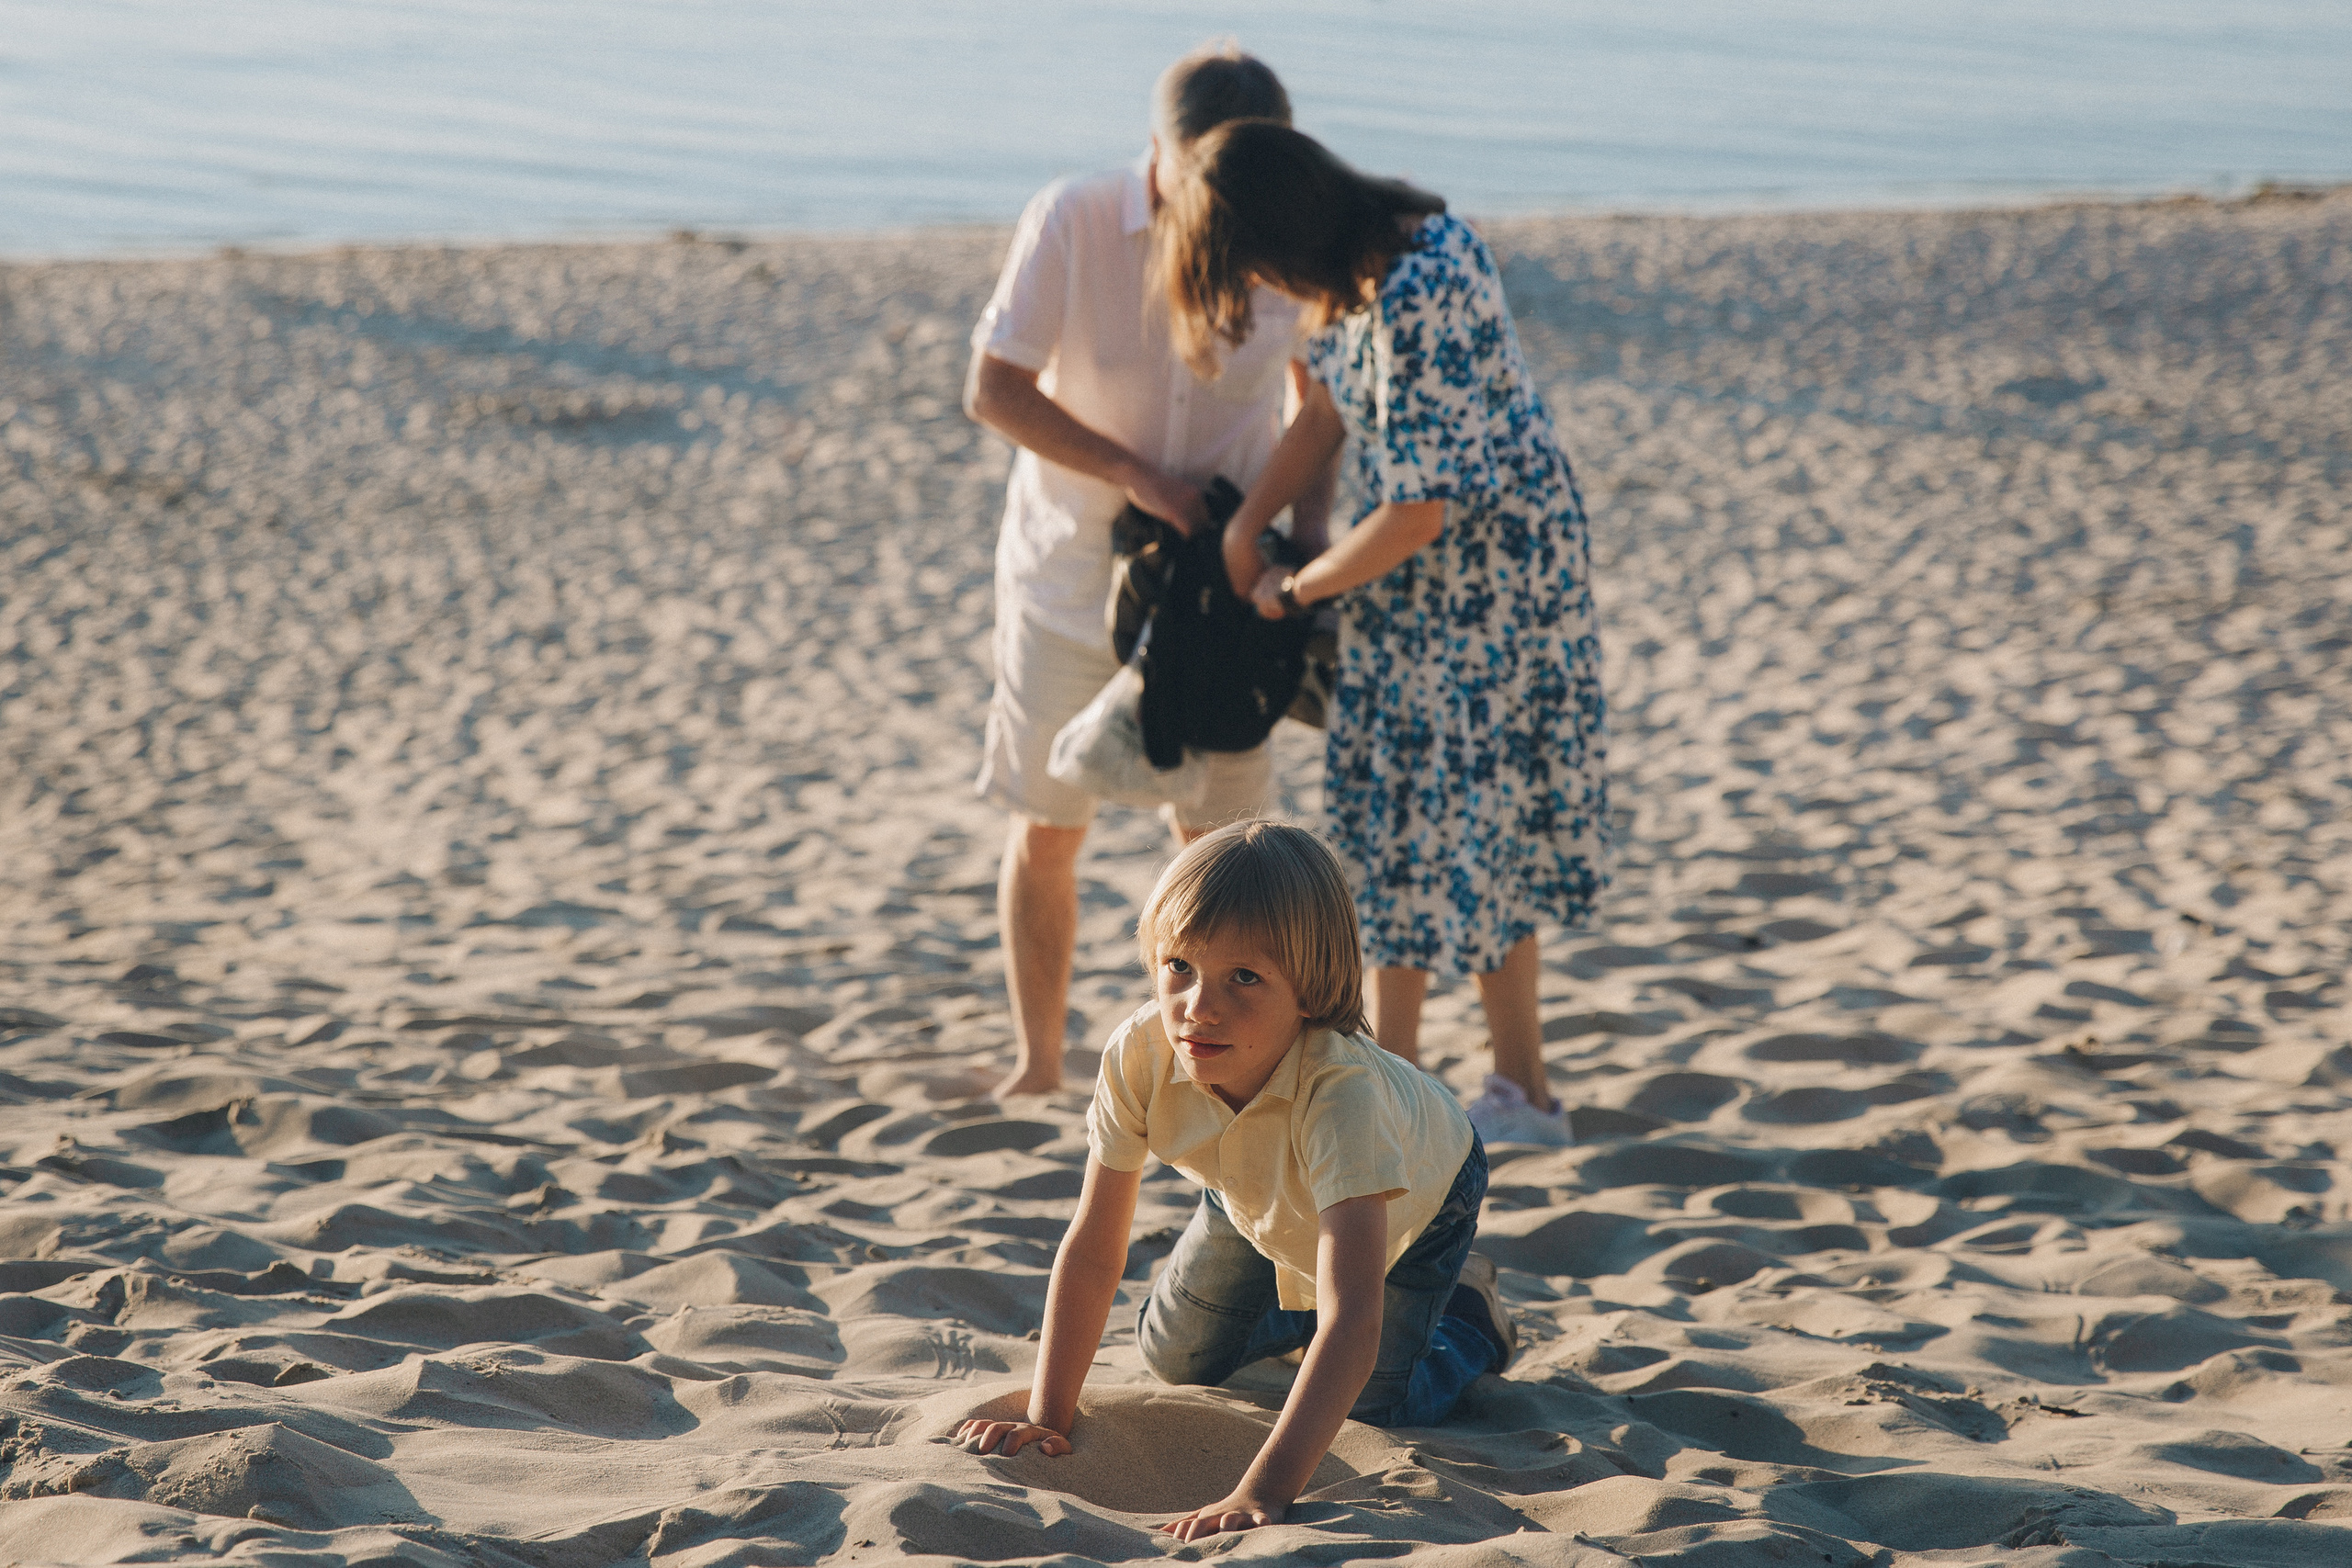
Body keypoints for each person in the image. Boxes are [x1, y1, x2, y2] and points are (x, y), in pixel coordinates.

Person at [1156, 121, 1610, 1146]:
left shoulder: (1421, 277)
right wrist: (1243, 528)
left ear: (1282, 234)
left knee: (1471, 828)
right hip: (1414, 587)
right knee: (1393, 824)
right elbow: (1326, 415)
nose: (1264, 284)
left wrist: (1293, 587)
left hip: (1492, 592)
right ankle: (1400, 1084)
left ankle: (1506, 1095)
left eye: (1258, 265)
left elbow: (1421, 510)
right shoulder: (1362, 263)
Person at [953, 822, 1515, 1540]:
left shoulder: (1342, 1096)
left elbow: (1354, 1322)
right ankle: (1304, 1298)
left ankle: (1469, 1309)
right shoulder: (1140, 1053)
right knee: (1174, 1355)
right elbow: (1095, 1245)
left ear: (1312, 991)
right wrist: (1046, 1416)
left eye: (1244, 977)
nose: (1199, 1006)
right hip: (1250, 1195)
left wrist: (1262, 1491)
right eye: (1179, 966)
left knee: (1378, 1396)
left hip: (1419, 1201)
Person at [966, 44, 1333, 1101]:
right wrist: (1144, 480)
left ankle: (1221, 1070)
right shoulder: (1074, 218)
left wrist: (1298, 546)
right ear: (1162, 157)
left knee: (1223, 844)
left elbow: (1318, 407)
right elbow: (993, 388)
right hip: (1069, 570)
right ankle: (1040, 1066)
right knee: (1047, 827)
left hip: (1225, 583)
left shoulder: (1288, 233)